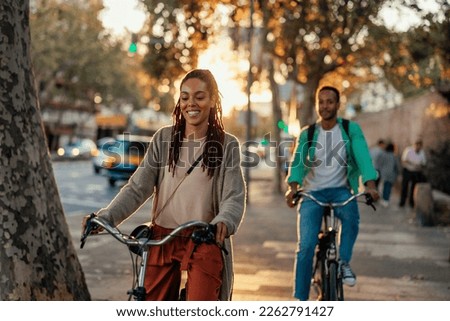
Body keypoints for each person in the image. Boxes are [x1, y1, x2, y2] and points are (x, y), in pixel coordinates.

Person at [82, 69, 246, 301]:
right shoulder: (163, 139)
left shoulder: (227, 145)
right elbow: (137, 188)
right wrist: (107, 217)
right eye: (185, 96)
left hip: (203, 238)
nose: (192, 103)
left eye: (200, 96)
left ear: (213, 100)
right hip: (162, 237)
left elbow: (234, 196)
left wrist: (223, 222)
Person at [284, 85, 379, 301]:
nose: (325, 106)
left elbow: (363, 155)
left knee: (352, 218)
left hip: (340, 191)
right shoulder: (308, 133)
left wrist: (370, 184)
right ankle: (301, 299)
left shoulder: (349, 129)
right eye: (321, 102)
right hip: (312, 193)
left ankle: (344, 262)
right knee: (306, 246)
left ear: (337, 104)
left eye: (329, 101)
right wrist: (293, 188)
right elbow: (297, 163)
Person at [399, 139, 426, 208]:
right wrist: (413, 163)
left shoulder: (422, 152)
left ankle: (411, 202)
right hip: (407, 171)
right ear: (414, 145)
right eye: (417, 145)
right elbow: (404, 160)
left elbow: (424, 163)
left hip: (416, 172)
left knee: (414, 188)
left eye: (420, 146)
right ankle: (402, 202)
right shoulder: (408, 150)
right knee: (405, 186)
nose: (418, 147)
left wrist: (419, 166)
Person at [378, 142, 399, 208]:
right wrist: (397, 173)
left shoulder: (383, 154)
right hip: (391, 173)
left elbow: (380, 163)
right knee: (388, 187)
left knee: (384, 186)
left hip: (384, 173)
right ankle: (386, 200)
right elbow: (397, 166)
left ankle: (384, 199)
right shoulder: (394, 156)